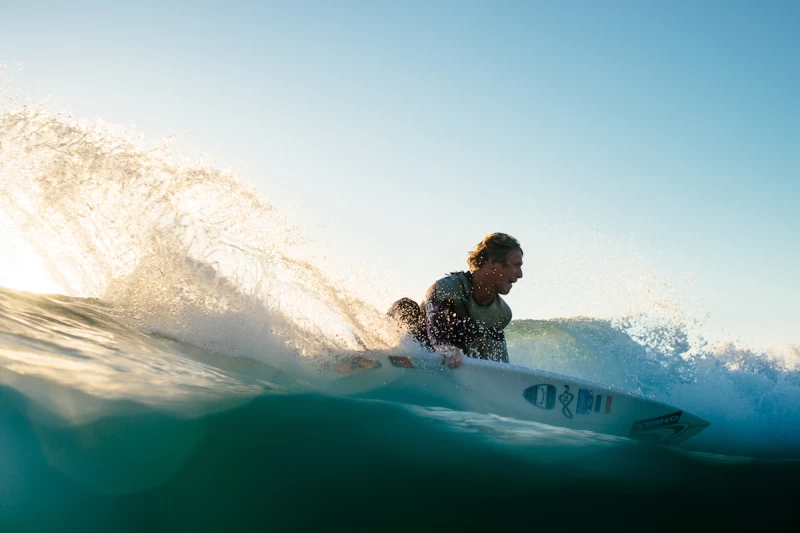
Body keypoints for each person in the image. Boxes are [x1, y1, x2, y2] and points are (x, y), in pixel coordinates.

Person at [388, 233, 523, 369]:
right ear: (492, 262)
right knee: (405, 306)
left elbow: (494, 359)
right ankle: (375, 354)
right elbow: (434, 320)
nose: (520, 274)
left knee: (486, 332)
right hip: (421, 344)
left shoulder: (502, 313)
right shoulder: (448, 287)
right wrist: (444, 345)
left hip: (455, 358)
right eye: (516, 265)